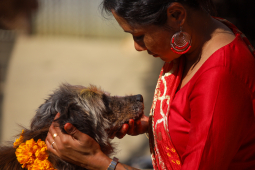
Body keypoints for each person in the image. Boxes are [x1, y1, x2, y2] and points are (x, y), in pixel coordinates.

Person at [46, 0, 255, 169]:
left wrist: (97, 161)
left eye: (139, 36)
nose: (137, 47)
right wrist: (156, 126)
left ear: (176, 15)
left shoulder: (219, 74)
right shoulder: (195, 39)